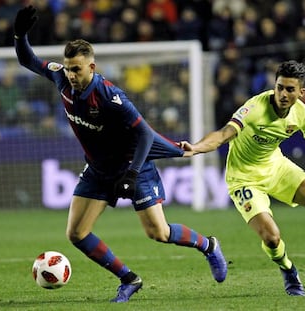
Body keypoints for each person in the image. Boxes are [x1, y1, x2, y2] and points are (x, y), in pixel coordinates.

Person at [13, 6, 227, 303]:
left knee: (159, 233)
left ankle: (208, 245)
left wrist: (133, 173)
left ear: (92, 68)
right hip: (99, 170)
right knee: (76, 234)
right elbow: (27, 59)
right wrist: (19, 34)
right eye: (68, 68)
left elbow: (144, 134)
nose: (71, 74)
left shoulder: (110, 97)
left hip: (132, 165)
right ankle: (129, 279)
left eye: (77, 69)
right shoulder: (61, 78)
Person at [180, 60, 305, 296]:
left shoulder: (302, 114)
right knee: (272, 237)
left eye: (289, 89)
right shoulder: (254, 108)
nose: (283, 94)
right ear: (274, 86)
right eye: (279, 87)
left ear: (301, 92)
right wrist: (196, 148)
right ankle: (288, 270)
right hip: (244, 178)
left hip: (276, 167)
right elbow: (224, 134)